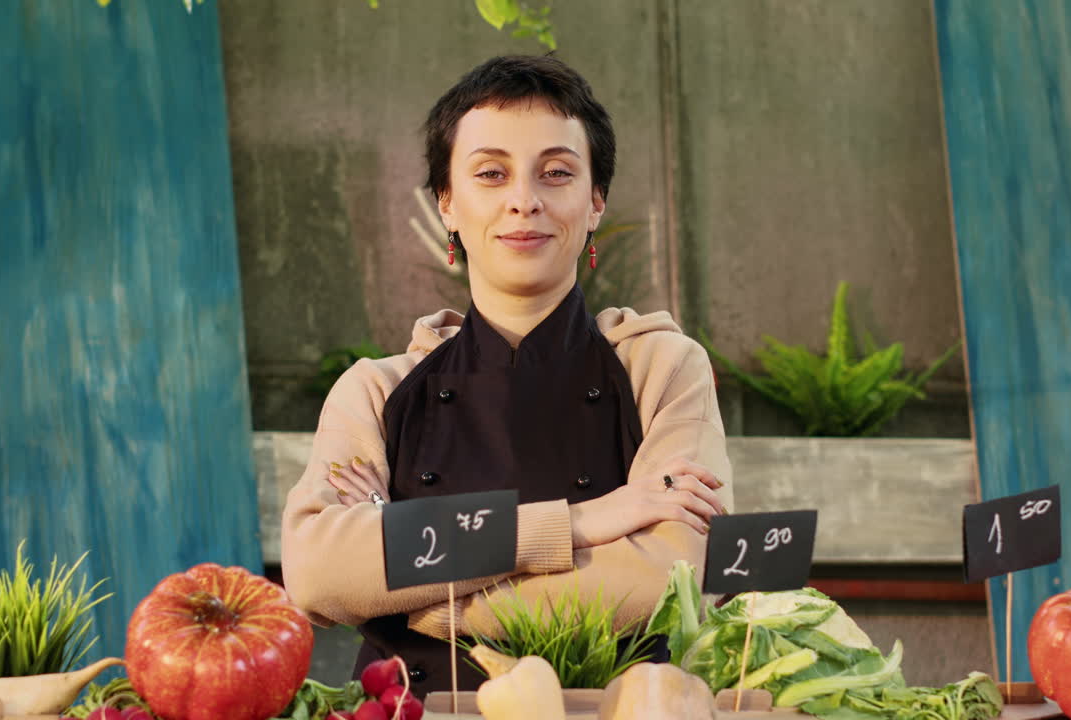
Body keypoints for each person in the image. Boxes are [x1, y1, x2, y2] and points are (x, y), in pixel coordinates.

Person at [280, 54, 733, 693]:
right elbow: (317, 571)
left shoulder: (660, 367)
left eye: (556, 173)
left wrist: (418, 599)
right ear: (447, 203)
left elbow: (665, 579)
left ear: (595, 200)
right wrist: (574, 526)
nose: (524, 201)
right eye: (491, 173)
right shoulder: (377, 389)